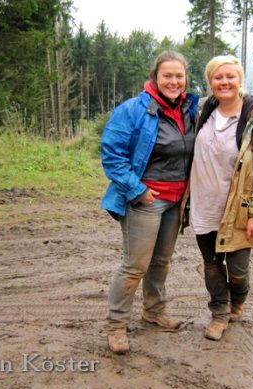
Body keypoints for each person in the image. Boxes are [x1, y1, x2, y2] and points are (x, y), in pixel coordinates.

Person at [100, 51, 199, 354]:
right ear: (155, 76)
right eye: (167, 75)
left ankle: (153, 311)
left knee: (161, 262)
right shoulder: (132, 109)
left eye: (179, 76)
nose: (173, 81)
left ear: (185, 79)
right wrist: (137, 190)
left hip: (175, 202)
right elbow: (111, 154)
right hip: (145, 200)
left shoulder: (190, 109)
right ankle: (117, 326)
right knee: (135, 265)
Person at [188, 55, 253, 341]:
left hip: (239, 210)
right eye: (218, 77)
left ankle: (238, 301)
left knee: (238, 269)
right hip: (204, 204)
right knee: (211, 264)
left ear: (240, 79)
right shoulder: (202, 110)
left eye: (230, 76)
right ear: (210, 82)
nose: (224, 82)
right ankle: (219, 313)